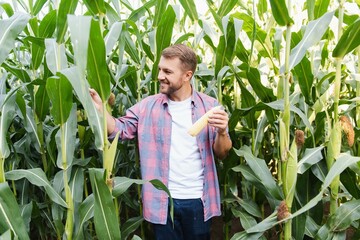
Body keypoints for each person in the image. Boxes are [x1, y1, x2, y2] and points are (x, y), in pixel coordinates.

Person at [90, 44, 232, 240]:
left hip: (198, 201)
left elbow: (222, 152)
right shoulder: (147, 107)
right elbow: (118, 130)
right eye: (159, 69)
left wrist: (223, 131)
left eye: (167, 71)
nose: (159, 76)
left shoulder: (210, 106)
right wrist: (99, 109)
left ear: (187, 75)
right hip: (162, 201)